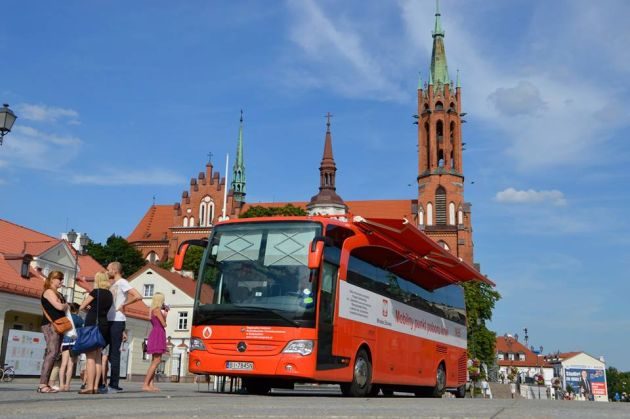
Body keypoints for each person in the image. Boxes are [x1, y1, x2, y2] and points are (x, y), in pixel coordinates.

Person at [106, 261, 141, 393]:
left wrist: (124, 304)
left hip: (117, 320)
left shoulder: (122, 282)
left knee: (114, 352)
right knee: (104, 352)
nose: (107, 271)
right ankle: (101, 381)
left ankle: (114, 384)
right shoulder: (113, 284)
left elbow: (138, 296)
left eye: (108, 269)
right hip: (110, 319)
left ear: (115, 270)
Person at [78, 272, 113, 394]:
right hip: (104, 325)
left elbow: (82, 306)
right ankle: (96, 386)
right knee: (98, 356)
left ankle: (89, 386)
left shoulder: (95, 292)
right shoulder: (109, 294)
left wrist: (88, 309)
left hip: (92, 324)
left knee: (90, 358)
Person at [38, 271, 69, 393]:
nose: (62, 281)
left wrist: (65, 304)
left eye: (62, 278)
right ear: (52, 279)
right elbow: (59, 307)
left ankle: (46, 384)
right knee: (52, 353)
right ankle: (42, 385)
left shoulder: (58, 293)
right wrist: (66, 305)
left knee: (54, 353)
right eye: (59, 279)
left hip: (57, 326)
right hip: (50, 325)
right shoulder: (48, 292)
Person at [142, 292, 168, 392]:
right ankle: (145, 384)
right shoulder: (157, 310)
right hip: (158, 333)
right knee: (156, 361)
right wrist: (165, 314)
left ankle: (151, 384)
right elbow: (164, 324)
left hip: (155, 332)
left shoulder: (152, 309)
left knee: (154, 360)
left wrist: (165, 313)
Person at [59, 303, 84, 391]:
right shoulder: (80, 319)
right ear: (77, 310)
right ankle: (67, 386)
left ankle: (61, 385)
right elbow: (81, 330)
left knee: (63, 364)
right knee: (71, 365)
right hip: (75, 342)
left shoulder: (66, 317)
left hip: (65, 341)